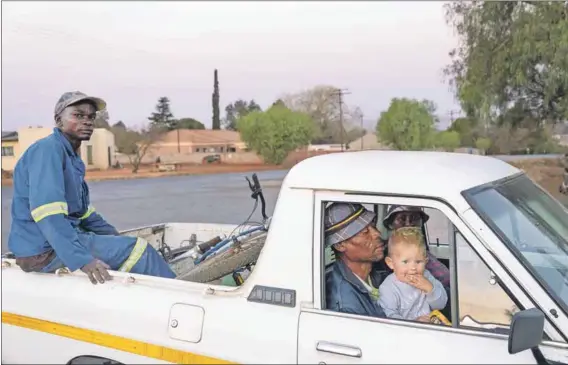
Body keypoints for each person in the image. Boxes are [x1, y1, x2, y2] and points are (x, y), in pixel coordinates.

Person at [8, 91, 176, 285]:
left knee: (126, 244)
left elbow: (83, 213)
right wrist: (82, 260)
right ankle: (184, 295)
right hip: (42, 249)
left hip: (53, 243)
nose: (87, 121)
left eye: (91, 117)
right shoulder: (48, 150)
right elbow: (48, 214)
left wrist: (113, 235)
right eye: (78, 115)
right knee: (140, 249)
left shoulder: (71, 156)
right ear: (58, 120)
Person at [324, 202, 387, 317]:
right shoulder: (345, 306)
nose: (377, 233)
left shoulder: (382, 269)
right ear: (340, 245)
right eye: (364, 232)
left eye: (373, 226)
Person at [378, 227, 447, 322]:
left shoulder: (427, 276)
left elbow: (441, 305)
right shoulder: (388, 288)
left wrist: (430, 289)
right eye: (405, 262)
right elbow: (389, 317)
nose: (413, 268)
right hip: (406, 333)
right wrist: (415, 322)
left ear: (426, 261)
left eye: (418, 262)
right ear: (391, 263)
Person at [382, 205, 450, 290]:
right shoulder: (385, 254)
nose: (408, 223)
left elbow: (446, 279)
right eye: (401, 219)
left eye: (414, 218)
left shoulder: (422, 250)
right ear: (391, 224)